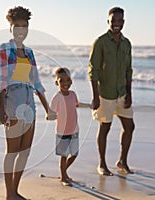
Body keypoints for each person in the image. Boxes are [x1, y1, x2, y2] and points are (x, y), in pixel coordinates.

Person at [0, 6, 55, 200]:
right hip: (12, 103)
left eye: (24, 26)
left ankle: (15, 191)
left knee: (25, 152)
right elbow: (1, 80)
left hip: (29, 103)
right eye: (17, 26)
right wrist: (1, 107)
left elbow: (36, 82)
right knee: (12, 152)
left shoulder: (29, 52)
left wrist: (48, 108)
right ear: (10, 28)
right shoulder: (4, 49)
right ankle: (9, 194)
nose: (21, 30)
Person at [88, 7, 135, 176]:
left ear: (123, 22)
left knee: (129, 126)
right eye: (113, 20)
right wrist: (95, 97)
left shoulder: (126, 43)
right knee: (105, 128)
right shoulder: (100, 42)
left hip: (122, 93)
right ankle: (102, 164)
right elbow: (93, 70)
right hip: (105, 94)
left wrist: (129, 93)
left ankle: (122, 161)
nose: (116, 24)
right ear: (108, 21)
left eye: (119, 21)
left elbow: (128, 70)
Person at [48, 67, 90, 186]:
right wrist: (49, 116)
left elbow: (77, 104)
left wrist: (90, 105)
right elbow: (51, 112)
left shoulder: (73, 94)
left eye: (68, 80)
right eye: (61, 81)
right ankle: (63, 177)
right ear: (57, 82)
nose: (65, 83)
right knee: (64, 155)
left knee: (75, 154)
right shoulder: (57, 97)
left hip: (74, 129)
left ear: (71, 81)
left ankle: (64, 173)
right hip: (62, 131)